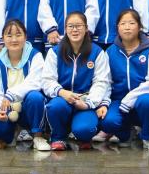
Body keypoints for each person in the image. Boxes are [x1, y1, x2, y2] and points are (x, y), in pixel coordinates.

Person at [41, 11, 112, 151]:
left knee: (85, 130)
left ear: (86, 28)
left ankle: (82, 136)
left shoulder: (97, 52)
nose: (75, 30)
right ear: (65, 29)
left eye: (79, 26)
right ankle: (58, 137)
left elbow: (101, 82)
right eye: (71, 26)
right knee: (55, 106)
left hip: (85, 101)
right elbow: (47, 80)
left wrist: (87, 103)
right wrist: (62, 92)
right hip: (63, 99)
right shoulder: (55, 52)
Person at [98, 9, 149, 150]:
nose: (127, 27)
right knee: (108, 122)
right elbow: (106, 82)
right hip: (118, 101)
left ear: (139, 26)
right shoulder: (110, 52)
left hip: (141, 99)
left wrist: (129, 99)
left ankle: (147, 137)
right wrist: (104, 103)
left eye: (132, 23)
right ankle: (127, 134)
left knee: (148, 102)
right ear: (117, 27)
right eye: (123, 24)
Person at [0, 19, 49, 150]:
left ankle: (38, 136)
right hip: (8, 110)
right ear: (3, 38)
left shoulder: (35, 56)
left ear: (25, 37)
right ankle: (11, 133)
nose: (14, 39)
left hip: (27, 109)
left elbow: (35, 82)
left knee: (35, 97)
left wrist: (10, 95)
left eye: (18, 35)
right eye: (9, 35)